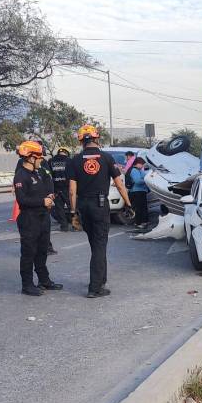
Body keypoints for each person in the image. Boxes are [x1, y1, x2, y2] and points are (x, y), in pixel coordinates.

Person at [66, 125, 132, 298]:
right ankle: (95, 288)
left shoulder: (75, 160)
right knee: (100, 246)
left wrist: (73, 213)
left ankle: (101, 279)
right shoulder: (107, 158)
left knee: (95, 244)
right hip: (100, 206)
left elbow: (72, 190)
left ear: (81, 141)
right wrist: (128, 204)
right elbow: (119, 184)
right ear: (96, 139)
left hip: (83, 206)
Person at [13, 140, 63, 296]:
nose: (41, 160)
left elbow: (46, 186)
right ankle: (27, 285)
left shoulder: (38, 172)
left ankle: (44, 280)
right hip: (29, 219)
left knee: (42, 251)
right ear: (30, 157)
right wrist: (42, 201)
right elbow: (22, 200)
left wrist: (49, 196)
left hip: (43, 217)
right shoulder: (21, 176)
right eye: (39, 157)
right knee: (29, 252)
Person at [49, 147, 72, 232]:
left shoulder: (51, 161)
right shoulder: (69, 161)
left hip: (56, 188)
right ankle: (76, 225)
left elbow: (49, 176)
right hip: (67, 188)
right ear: (67, 153)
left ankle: (64, 227)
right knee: (72, 207)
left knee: (60, 209)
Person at [128, 157, 150, 229]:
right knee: (139, 208)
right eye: (142, 164)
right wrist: (146, 180)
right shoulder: (134, 170)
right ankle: (138, 223)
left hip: (141, 191)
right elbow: (137, 181)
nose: (142, 166)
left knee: (143, 207)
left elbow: (145, 176)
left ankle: (144, 221)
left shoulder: (140, 170)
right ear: (137, 164)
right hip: (136, 191)